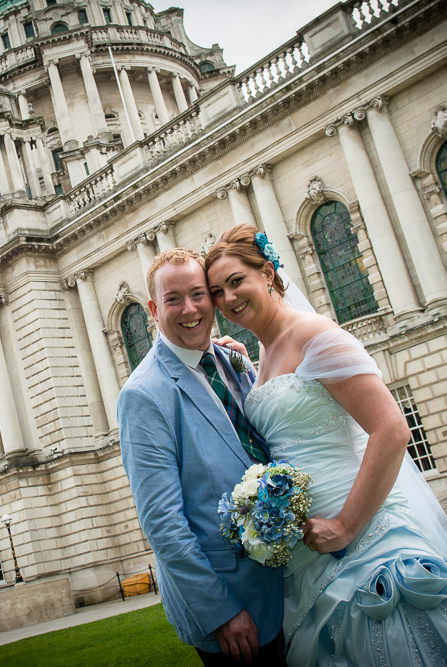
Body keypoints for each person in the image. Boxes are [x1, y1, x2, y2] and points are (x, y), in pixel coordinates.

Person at [205, 224, 447, 666]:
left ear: (267, 272)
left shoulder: (316, 334)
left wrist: (347, 526)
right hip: (311, 552)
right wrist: (240, 363)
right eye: (217, 291)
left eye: (236, 281)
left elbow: (392, 430)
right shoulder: (263, 357)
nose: (227, 299)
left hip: (366, 536)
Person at [119, 247, 286, 666]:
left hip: (288, 581)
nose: (189, 309)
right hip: (233, 607)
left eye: (198, 294)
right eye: (173, 299)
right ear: (154, 310)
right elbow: (162, 523)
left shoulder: (232, 358)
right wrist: (220, 612)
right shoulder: (142, 395)